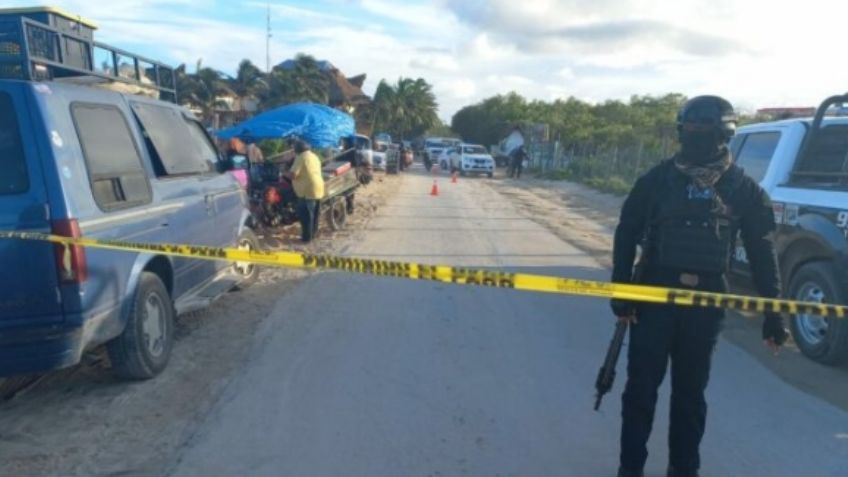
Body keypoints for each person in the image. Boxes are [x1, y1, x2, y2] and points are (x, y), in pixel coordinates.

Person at [611, 96, 788, 477]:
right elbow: (626, 231)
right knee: (641, 391)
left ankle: (684, 469)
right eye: (689, 130)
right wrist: (621, 291)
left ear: (723, 133)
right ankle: (631, 469)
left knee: (689, 397)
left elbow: (762, 252)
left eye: (700, 130)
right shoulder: (658, 180)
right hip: (651, 299)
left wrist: (774, 313)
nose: (693, 137)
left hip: (705, 307)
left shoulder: (743, 189)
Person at [286, 139, 325, 243]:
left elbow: (293, 174)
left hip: (307, 190)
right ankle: (313, 235)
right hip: (319, 187)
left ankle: (306, 239)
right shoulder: (314, 156)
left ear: (298, 149)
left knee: (306, 216)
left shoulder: (301, 157)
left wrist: (283, 174)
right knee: (314, 215)